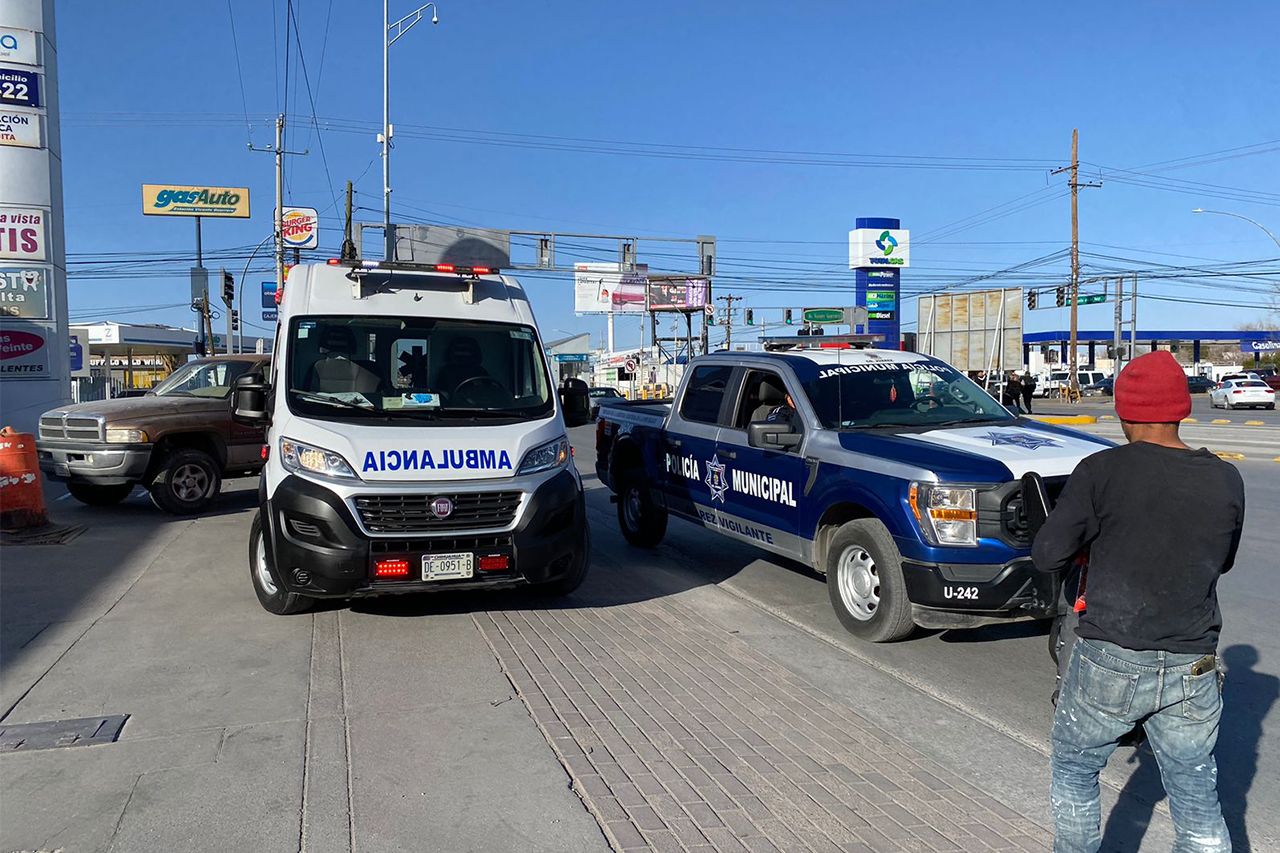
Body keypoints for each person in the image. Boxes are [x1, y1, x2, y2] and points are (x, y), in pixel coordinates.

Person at [1032, 350, 1245, 853]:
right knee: (1196, 791)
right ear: (1182, 410)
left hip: (1113, 655)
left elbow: (1047, 555)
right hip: (1194, 661)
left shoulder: (1100, 471)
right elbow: (1224, 561)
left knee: (1076, 766)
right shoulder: (1225, 477)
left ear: (1124, 412)